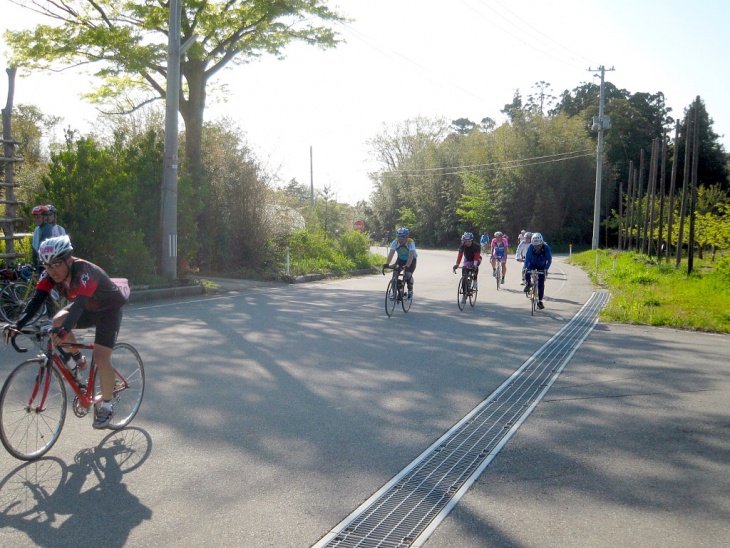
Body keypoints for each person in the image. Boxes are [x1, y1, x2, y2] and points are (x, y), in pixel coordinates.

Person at [3, 235, 128, 429]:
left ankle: (106, 405)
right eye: (47, 266)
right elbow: (36, 301)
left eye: (56, 264)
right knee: (57, 321)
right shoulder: (49, 275)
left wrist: (64, 331)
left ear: (68, 259)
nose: (51, 271)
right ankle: (78, 359)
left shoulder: (86, 272)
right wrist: (17, 325)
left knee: (101, 357)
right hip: (87, 308)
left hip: (107, 311)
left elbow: (78, 306)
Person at [384, 227, 417, 299]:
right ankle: (395, 293)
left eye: (402, 237)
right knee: (395, 273)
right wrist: (387, 264)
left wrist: (407, 266)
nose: (400, 239)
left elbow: (411, 256)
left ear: (406, 237)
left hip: (411, 260)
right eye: (399, 237)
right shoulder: (395, 243)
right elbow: (391, 253)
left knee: (407, 274)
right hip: (401, 259)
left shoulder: (410, 243)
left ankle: (410, 289)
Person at [523, 232, 552, 309]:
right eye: (535, 245)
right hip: (532, 263)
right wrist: (526, 267)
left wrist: (546, 269)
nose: (536, 247)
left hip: (542, 266)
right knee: (527, 272)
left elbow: (549, 259)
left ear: (541, 243)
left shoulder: (546, 247)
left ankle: (540, 301)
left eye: (538, 245)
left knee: (541, 283)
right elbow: (527, 258)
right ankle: (528, 284)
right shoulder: (530, 247)